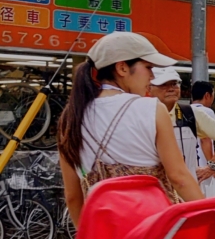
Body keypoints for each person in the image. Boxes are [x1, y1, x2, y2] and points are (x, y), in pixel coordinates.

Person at [57, 33, 203, 228]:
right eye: (148, 68)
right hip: (152, 234)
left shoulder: (71, 117)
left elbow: (73, 196)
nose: (152, 77)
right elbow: (179, 178)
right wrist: (211, 223)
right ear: (123, 67)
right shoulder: (151, 109)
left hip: (105, 238)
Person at [148, 68, 215, 204]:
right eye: (164, 84)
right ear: (149, 88)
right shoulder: (142, 115)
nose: (171, 88)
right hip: (155, 197)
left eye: (174, 84)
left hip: (187, 196)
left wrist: (212, 166)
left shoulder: (190, 114)